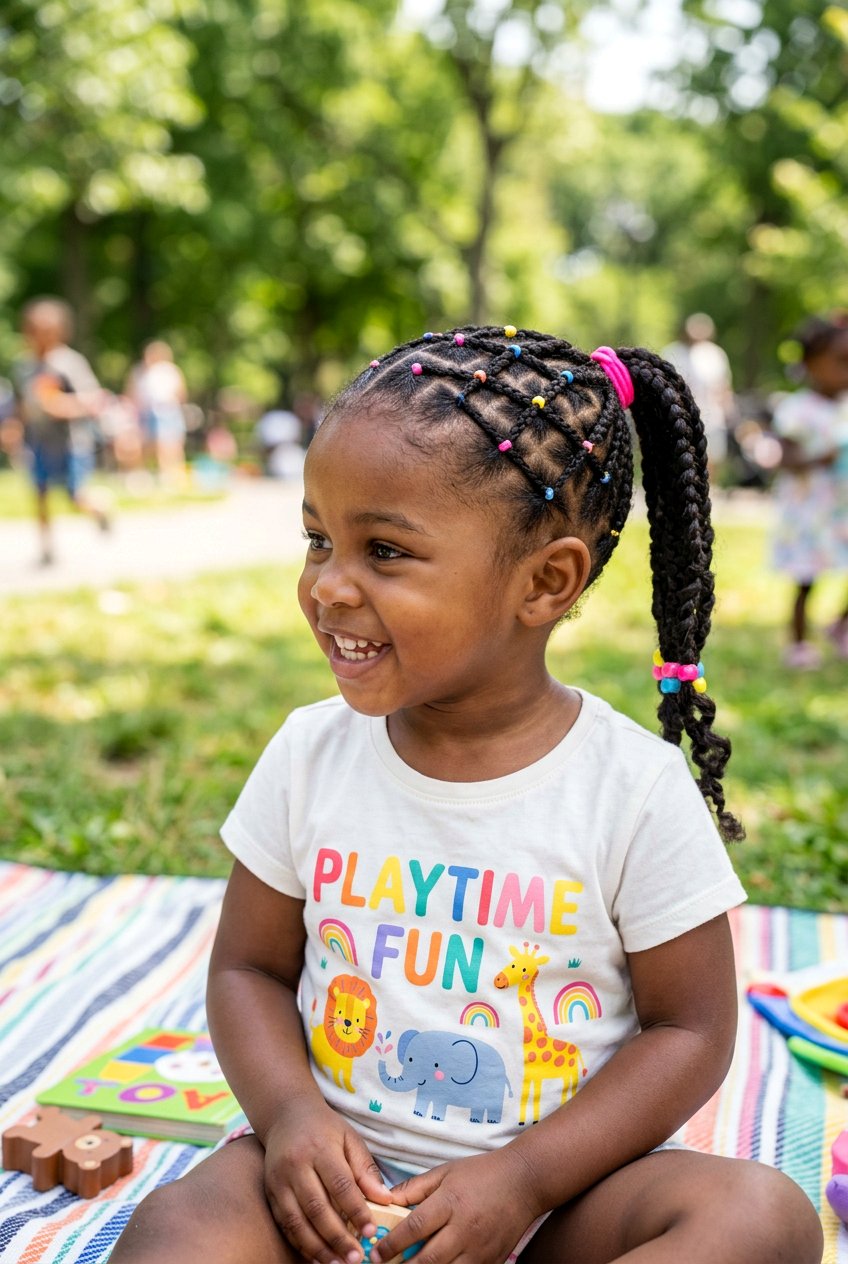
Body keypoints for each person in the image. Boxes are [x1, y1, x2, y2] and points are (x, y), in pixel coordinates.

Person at [111, 327, 822, 1264]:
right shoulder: (308, 756)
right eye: (318, 539)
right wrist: (288, 1119)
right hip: (335, 1197)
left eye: (386, 552)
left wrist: (526, 1179)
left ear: (545, 582)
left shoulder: (632, 790)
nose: (329, 586)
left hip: (557, 1205)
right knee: (179, 1225)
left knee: (762, 1218)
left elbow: (690, 1032)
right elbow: (245, 972)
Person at [771, 313, 848, 668]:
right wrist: (818, 457)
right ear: (812, 364)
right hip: (810, 514)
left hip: (841, 509)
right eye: (842, 361)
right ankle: (799, 643)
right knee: (807, 580)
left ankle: (840, 626)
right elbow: (784, 457)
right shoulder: (797, 409)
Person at [14, 296, 109, 565]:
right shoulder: (24, 366)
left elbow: (94, 400)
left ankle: (99, 511)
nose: (41, 338)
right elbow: (23, 404)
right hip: (39, 441)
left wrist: (63, 405)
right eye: (35, 331)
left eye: (47, 332)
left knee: (74, 495)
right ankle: (47, 549)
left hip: (70, 442)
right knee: (40, 492)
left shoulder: (70, 362)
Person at [662, 313, 735, 484]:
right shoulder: (672, 352)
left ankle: (708, 490)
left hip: (711, 414)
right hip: (680, 413)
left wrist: (729, 411)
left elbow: (723, 387)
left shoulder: (715, 355)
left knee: (711, 456)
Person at [127, 339, 189, 484]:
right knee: (146, 445)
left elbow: (181, 393)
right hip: (146, 412)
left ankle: (171, 476)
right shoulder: (139, 371)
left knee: (170, 444)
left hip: (167, 411)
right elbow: (131, 393)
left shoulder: (170, 371)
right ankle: (145, 475)